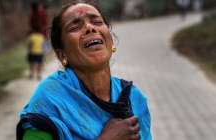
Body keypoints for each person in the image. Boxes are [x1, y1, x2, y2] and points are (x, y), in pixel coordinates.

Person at [17, 1, 152, 140]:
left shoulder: (134, 98)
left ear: (111, 41)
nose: (89, 27)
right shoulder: (48, 103)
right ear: (62, 54)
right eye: (75, 26)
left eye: (97, 22)